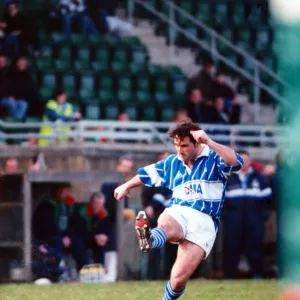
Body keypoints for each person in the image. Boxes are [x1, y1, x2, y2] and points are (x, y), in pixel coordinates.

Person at [114, 120, 243, 299]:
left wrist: (209, 141)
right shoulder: (172, 162)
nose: (179, 151)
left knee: (177, 279)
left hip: (205, 222)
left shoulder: (213, 158)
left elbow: (236, 162)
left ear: (197, 143)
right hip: (179, 211)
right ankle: (150, 239)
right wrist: (126, 186)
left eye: (184, 146)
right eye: (176, 145)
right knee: (166, 223)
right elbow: (146, 174)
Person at [223, 150, 272, 279]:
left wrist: (262, 216)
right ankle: (230, 276)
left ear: (250, 161)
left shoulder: (259, 178)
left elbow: (268, 201)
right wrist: (227, 217)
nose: (243, 163)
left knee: (255, 247)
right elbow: (221, 203)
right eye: (240, 160)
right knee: (231, 248)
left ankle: (257, 275)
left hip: (254, 221)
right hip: (233, 222)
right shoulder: (228, 179)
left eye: (246, 160)